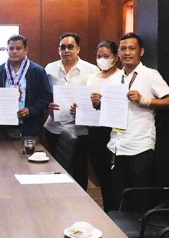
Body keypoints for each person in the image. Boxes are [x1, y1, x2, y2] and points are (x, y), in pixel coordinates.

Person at [95, 33, 169, 209]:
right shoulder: (116, 78)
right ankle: (121, 233)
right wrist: (99, 103)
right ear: (118, 53)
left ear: (141, 51)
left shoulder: (150, 74)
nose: (127, 52)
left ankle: (139, 235)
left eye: (132, 48)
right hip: (116, 145)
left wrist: (145, 100)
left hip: (139, 145)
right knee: (118, 195)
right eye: (123, 48)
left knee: (138, 197)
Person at [44, 32, 99, 190]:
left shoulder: (91, 70)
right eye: (63, 47)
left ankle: (81, 202)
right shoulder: (50, 68)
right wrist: (49, 104)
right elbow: (46, 94)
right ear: (58, 50)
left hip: (80, 129)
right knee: (57, 169)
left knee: (79, 169)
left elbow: (95, 99)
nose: (66, 50)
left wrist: (84, 108)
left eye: (70, 46)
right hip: (55, 127)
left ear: (78, 49)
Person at [0, 34, 52, 140]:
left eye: (18, 48)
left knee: (27, 156)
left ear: (26, 50)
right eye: (11, 48)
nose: (14, 51)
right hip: (5, 126)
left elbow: (46, 97)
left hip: (29, 127)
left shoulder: (38, 71)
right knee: (4, 156)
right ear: (7, 50)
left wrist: (31, 110)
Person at [86, 40, 121, 212]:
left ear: (115, 58)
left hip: (113, 131)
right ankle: (107, 210)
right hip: (94, 129)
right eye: (99, 56)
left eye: (106, 56)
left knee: (112, 177)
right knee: (100, 174)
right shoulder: (92, 78)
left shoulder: (121, 77)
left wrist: (103, 102)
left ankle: (114, 211)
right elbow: (87, 103)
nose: (102, 60)